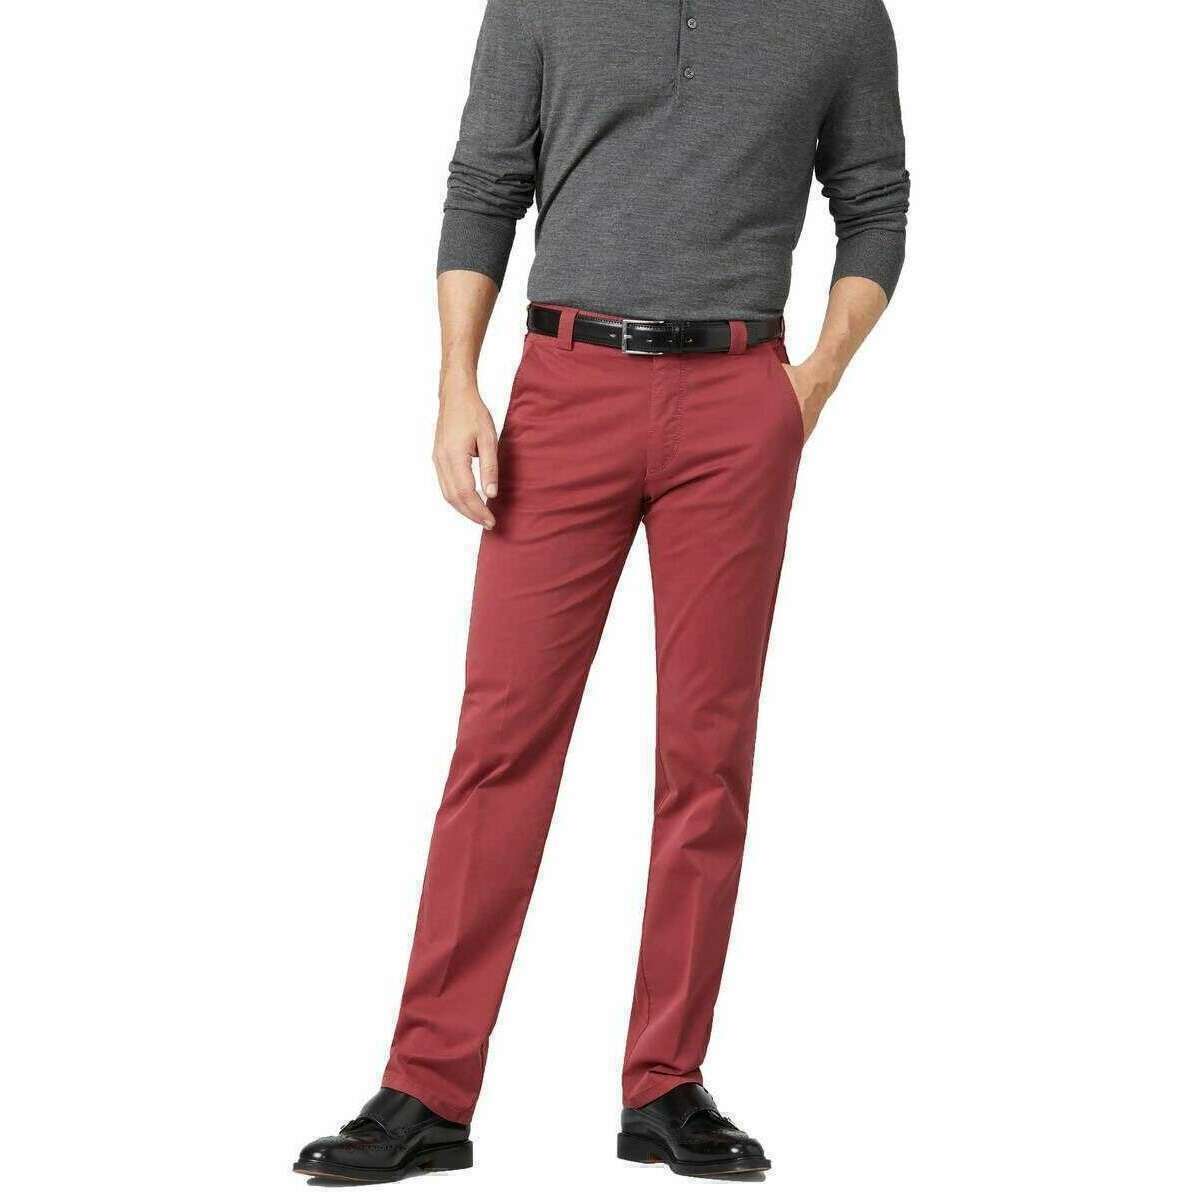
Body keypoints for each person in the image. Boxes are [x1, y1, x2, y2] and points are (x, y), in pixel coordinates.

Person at [295, 0, 908, 1182]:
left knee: (707, 751)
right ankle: (427, 1088)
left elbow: (875, 205)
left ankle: (665, 1084)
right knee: (501, 739)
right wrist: (457, 386)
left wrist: (809, 387)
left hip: (738, 397)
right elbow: (485, 183)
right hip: (564, 390)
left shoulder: (838, 13)